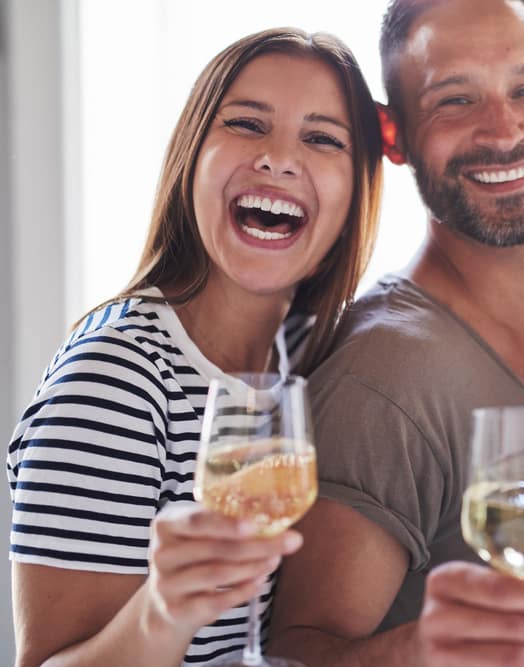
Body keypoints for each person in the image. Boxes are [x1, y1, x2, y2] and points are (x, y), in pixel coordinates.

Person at [7, 27, 383, 667]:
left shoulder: (323, 359)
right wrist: (166, 611)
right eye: (246, 124)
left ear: (358, 192)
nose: (278, 159)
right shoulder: (114, 379)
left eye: (321, 139)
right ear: (192, 155)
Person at [268, 1, 524, 665]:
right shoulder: (385, 372)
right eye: (455, 100)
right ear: (393, 133)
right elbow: (295, 650)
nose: (504, 129)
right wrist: (421, 651)